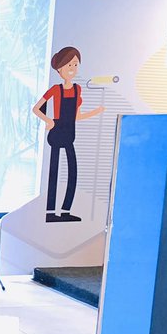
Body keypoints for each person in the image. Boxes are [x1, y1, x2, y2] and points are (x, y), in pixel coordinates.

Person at [32, 46, 103, 223]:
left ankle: (65, 210)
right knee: (54, 172)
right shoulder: (55, 90)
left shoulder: (78, 90)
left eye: (75, 64)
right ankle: (50, 212)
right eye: (69, 64)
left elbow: (77, 116)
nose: (72, 68)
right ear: (59, 69)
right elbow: (36, 108)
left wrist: (96, 112)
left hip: (70, 133)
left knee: (73, 171)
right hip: (57, 133)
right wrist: (48, 121)